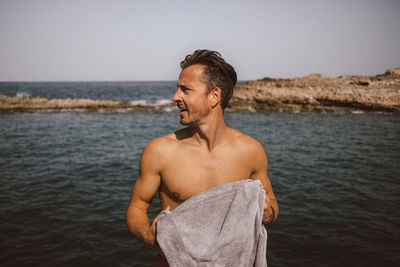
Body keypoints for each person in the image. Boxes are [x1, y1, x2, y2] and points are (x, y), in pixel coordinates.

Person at [126, 49, 279, 265]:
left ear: (214, 96)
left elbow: (272, 204)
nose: (175, 97)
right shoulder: (160, 151)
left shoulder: (250, 151)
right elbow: (137, 207)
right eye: (177, 89)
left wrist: (265, 213)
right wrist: (148, 236)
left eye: (185, 90)